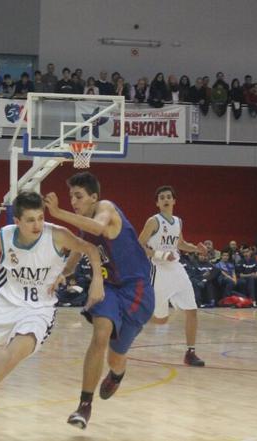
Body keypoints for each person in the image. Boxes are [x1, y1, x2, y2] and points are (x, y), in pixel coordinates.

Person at [0, 192, 103, 440]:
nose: (37, 225)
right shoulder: (5, 235)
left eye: (40, 218)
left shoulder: (56, 234)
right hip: (2, 305)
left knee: (10, 357)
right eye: (31, 220)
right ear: (17, 220)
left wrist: (95, 279)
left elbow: (89, 247)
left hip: (38, 311)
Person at [44, 172, 155, 430]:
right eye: (71, 196)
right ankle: (84, 405)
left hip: (136, 290)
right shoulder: (85, 224)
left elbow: (100, 227)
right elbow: (77, 253)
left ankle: (117, 373)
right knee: (100, 333)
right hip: (108, 288)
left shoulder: (106, 208)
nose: (73, 200)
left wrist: (58, 212)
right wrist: (61, 274)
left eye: (78, 196)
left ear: (94, 197)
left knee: (116, 356)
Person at [136, 185, 207, 367]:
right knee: (161, 320)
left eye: (169, 196)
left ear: (174, 200)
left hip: (176, 268)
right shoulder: (153, 221)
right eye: (162, 197)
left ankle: (190, 352)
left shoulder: (178, 221)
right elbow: (139, 246)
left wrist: (195, 249)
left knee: (192, 310)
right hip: (158, 269)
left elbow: (180, 243)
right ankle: (132, 313)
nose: (166, 199)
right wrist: (160, 255)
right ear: (157, 203)